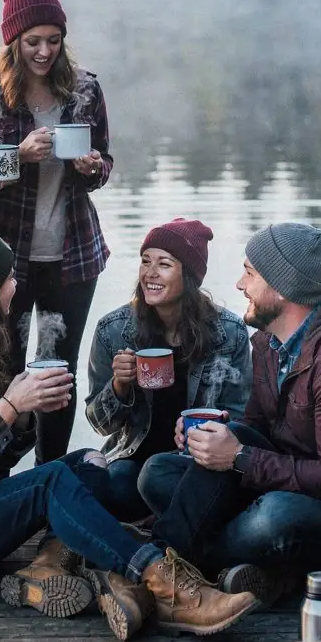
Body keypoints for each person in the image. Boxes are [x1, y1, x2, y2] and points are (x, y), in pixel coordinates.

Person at [0, 227, 258, 640]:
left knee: (88, 463)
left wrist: (24, 417)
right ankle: (162, 583)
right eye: (8, 278)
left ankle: (49, 565)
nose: (16, 286)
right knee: (52, 480)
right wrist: (9, 406)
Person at [138, 222, 321, 601]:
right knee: (158, 473)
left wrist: (238, 457)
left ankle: (163, 562)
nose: (239, 285)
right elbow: (255, 428)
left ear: (282, 288)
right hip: (295, 486)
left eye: (250, 273)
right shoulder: (269, 341)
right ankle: (240, 566)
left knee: (273, 517)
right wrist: (214, 437)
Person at [0, 0, 112, 464]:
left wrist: (93, 167)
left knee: (57, 374)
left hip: (73, 256)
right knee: (1, 374)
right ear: (13, 42)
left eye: (54, 40)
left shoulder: (85, 89)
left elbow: (105, 160)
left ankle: (50, 478)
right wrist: (16, 157)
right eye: (33, 42)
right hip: (3, 261)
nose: (45, 52)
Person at [85, 218, 250, 521]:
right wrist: (119, 386)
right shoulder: (113, 330)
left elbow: (242, 417)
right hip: (133, 461)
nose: (150, 273)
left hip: (195, 464)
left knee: (173, 480)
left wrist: (210, 430)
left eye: (164, 264)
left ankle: (161, 525)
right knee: (112, 483)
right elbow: (99, 425)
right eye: (145, 261)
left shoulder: (228, 332)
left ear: (188, 275)